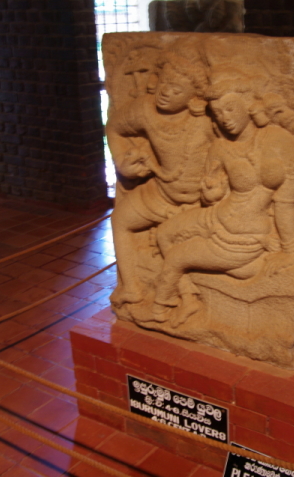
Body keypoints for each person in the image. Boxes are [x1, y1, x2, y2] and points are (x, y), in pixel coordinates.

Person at [150, 68, 294, 325]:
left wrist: (289, 250)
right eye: (218, 113)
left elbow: (285, 203)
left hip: (243, 234)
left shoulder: (278, 140)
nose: (224, 119)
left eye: (230, 109)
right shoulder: (221, 146)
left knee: (175, 257)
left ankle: (159, 310)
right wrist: (211, 191)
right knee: (163, 233)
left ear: (248, 106)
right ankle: (189, 296)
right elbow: (212, 196)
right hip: (218, 216)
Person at [106, 48, 213, 308]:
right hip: (162, 192)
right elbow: (114, 127)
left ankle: (188, 296)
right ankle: (131, 288)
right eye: (164, 83)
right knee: (120, 220)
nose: (166, 92)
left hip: (200, 202)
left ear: (194, 97)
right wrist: (121, 162)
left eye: (177, 90)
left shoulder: (205, 119)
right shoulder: (145, 109)